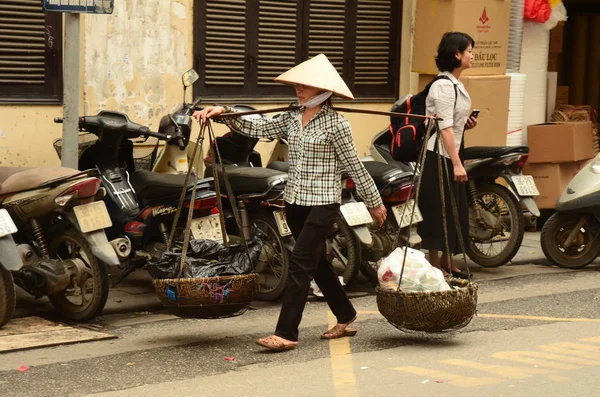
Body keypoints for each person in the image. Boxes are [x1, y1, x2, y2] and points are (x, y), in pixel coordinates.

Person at [193, 54, 386, 351]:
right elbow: (259, 128)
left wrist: (375, 203)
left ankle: (286, 333)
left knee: (299, 264)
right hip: (295, 200)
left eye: (305, 86)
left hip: (324, 202)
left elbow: (355, 166)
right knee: (315, 262)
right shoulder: (292, 117)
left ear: (323, 90)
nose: (298, 90)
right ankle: (346, 314)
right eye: (297, 85)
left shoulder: (337, 124)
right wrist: (224, 112)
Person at [417, 32, 478, 279]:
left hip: (452, 151)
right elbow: (444, 128)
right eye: (470, 51)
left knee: (454, 208)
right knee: (438, 208)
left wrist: (467, 122)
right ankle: (435, 264)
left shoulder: (455, 82)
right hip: (439, 155)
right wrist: (456, 164)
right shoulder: (443, 85)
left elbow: (453, 122)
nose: (473, 56)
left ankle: (446, 261)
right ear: (457, 54)